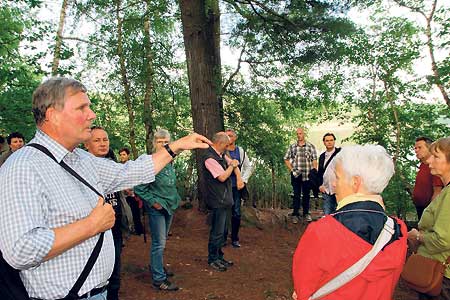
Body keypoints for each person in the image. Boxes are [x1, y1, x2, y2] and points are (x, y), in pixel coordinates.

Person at [0, 77, 211, 300]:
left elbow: (131, 172)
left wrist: (176, 146)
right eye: (82, 107)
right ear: (52, 115)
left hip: (99, 293)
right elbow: (20, 250)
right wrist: (91, 225)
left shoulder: (80, 159)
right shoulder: (23, 167)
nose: (91, 114)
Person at [292, 145, 407, 300]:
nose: (333, 184)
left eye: (337, 177)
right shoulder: (397, 230)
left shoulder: (322, 231)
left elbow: (303, 290)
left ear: (355, 182)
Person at [134, 129, 181, 291]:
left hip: (169, 206)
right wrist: (154, 203)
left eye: (166, 141)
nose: (163, 144)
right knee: (158, 244)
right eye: (160, 141)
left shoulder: (169, 160)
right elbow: (139, 187)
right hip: (157, 209)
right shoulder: (150, 161)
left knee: (162, 242)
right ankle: (159, 279)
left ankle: (158, 267)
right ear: (154, 143)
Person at [84, 126, 125, 300]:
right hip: (95, 231)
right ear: (86, 144)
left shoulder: (113, 163)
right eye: (97, 140)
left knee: (115, 271)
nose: (102, 144)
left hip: (115, 227)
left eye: (105, 140)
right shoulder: (83, 166)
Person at [408, 137, 450, 299]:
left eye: (436, 156)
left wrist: (417, 236)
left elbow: (443, 240)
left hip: (440, 274)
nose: (430, 160)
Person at [203, 132, 243, 272]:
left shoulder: (221, 154)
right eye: (226, 145)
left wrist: (237, 175)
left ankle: (219, 256)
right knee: (217, 231)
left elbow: (234, 163)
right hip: (217, 199)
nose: (228, 148)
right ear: (219, 144)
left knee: (224, 230)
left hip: (225, 198)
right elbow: (222, 176)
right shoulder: (210, 158)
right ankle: (212, 258)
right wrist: (232, 166)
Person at [223, 129, 254, 248]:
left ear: (235, 138)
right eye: (226, 135)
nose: (228, 137)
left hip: (236, 186)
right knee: (224, 212)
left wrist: (244, 180)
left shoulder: (240, 151)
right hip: (224, 186)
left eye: (230, 136)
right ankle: (223, 237)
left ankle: (235, 238)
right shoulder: (222, 151)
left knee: (236, 212)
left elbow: (248, 167)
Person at [284, 127, 318, 223]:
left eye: (301, 133)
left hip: (307, 174)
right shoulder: (292, 147)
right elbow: (286, 159)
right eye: (297, 134)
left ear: (304, 134)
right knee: (296, 194)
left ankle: (306, 213)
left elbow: (314, 160)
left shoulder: (311, 146)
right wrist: (291, 169)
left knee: (306, 195)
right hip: (296, 175)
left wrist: (314, 172)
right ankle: (295, 214)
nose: (299, 136)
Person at [412, 136, 443, 220]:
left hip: (428, 209)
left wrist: (430, 212)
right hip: (419, 207)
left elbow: (437, 191)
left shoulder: (435, 166)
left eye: (419, 147)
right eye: (415, 148)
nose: (416, 150)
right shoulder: (423, 165)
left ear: (429, 148)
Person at [118, 147, 144, 235]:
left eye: (124, 154)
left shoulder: (132, 165)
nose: (122, 156)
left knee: (136, 212)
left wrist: (133, 190)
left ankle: (138, 229)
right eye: (121, 155)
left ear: (128, 155)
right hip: (123, 193)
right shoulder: (118, 167)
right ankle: (128, 229)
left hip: (133, 193)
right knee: (125, 212)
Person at [318, 133, 341, 215]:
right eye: (327, 140)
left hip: (339, 189)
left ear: (334, 141)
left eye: (331, 140)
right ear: (324, 142)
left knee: (339, 213)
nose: (329, 142)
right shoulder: (322, 157)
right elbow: (320, 172)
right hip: (327, 189)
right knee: (327, 214)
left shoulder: (340, 153)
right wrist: (320, 185)